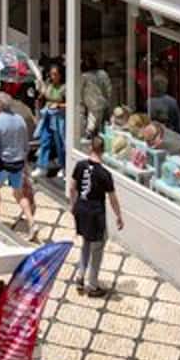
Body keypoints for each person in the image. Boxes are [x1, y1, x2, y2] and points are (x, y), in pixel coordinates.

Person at [69, 132, 124, 295]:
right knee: (97, 247)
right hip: (95, 213)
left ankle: (80, 275)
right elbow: (112, 198)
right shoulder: (105, 174)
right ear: (103, 151)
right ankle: (93, 285)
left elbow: (72, 187)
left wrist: (73, 205)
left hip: (81, 208)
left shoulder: (80, 165)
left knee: (86, 242)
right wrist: (119, 216)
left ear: (90, 148)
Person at [0, 96, 35, 230]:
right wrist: (24, 164)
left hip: (2, 163)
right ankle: (31, 222)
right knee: (19, 194)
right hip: (17, 163)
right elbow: (25, 145)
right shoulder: (20, 120)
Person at [36, 61, 68, 178]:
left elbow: (71, 104)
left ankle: (64, 167)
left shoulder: (65, 88)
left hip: (59, 118)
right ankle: (41, 167)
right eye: (51, 74)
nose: (52, 76)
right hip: (48, 116)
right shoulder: (49, 85)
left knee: (60, 144)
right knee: (44, 141)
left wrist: (59, 105)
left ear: (60, 75)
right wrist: (40, 98)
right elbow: (44, 97)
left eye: (55, 74)